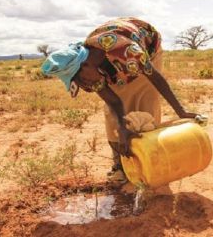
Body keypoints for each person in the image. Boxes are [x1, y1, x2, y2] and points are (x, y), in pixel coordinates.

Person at [42, 17, 198, 184]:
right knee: (113, 118)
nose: (83, 85)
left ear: (86, 66)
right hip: (115, 64)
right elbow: (113, 101)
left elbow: (156, 79)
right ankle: (120, 165)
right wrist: (122, 128)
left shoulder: (126, 51)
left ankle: (151, 164)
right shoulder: (89, 72)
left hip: (147, 53)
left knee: (145, 106)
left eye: (79, 80)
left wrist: (180, 111)